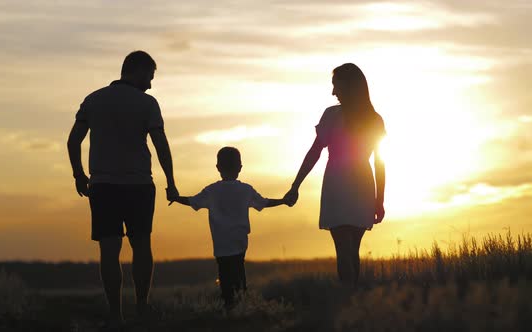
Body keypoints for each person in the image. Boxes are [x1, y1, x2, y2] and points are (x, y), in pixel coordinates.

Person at [67, 50, 179, 328]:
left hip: (103, 186)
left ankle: (115, 315)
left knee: (109, 249)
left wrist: (79, 175)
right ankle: (141, 308)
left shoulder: (93, 100)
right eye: (150, 77)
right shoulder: (148, 103)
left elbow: (73, 141)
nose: (151, 84)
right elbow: (160, 144)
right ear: (138, 70)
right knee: (142, 246)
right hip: (139, 185)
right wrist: (171, 182)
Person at [283, 63, 386, 289]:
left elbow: (315, 152)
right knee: (352, 250)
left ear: (348, 87)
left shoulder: (333, 115)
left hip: (338, 184)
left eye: (335, 86)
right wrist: (379, 200)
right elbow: (379, 163)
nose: (333, 92)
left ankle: (348, 298)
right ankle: (354, 300)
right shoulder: (374, 119)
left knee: (344, 249)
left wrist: (296, 185)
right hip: (362, 185)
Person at [170, 147, 287, 309]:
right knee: (239, 271)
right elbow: (265, 203)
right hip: (239, 242)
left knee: (225, 275)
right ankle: (241, 304)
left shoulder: (211, 191)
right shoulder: (246, 190)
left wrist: (175, 198)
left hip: (221, 244)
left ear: (218, 167)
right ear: (240, 167)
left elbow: (191, 201)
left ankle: (230, 306)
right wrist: (283, 201)